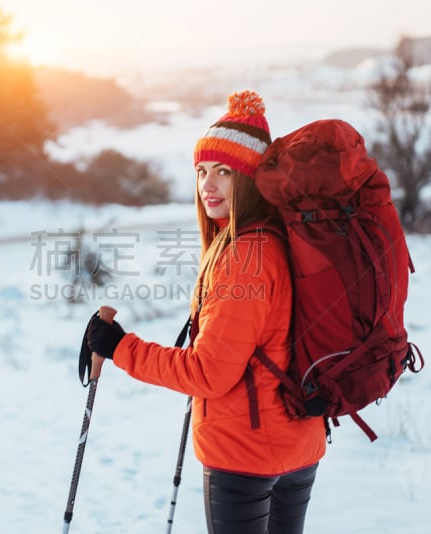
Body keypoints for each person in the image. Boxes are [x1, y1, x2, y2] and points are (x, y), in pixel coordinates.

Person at [84, 90, 326, 534]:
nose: (208, 186)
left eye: (224, 173)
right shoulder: (281, 239)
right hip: (299, 442)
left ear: (250, 180)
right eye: (202, 171)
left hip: (246, 453)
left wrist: (120, 347)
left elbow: (208, 374)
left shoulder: (244, 255)